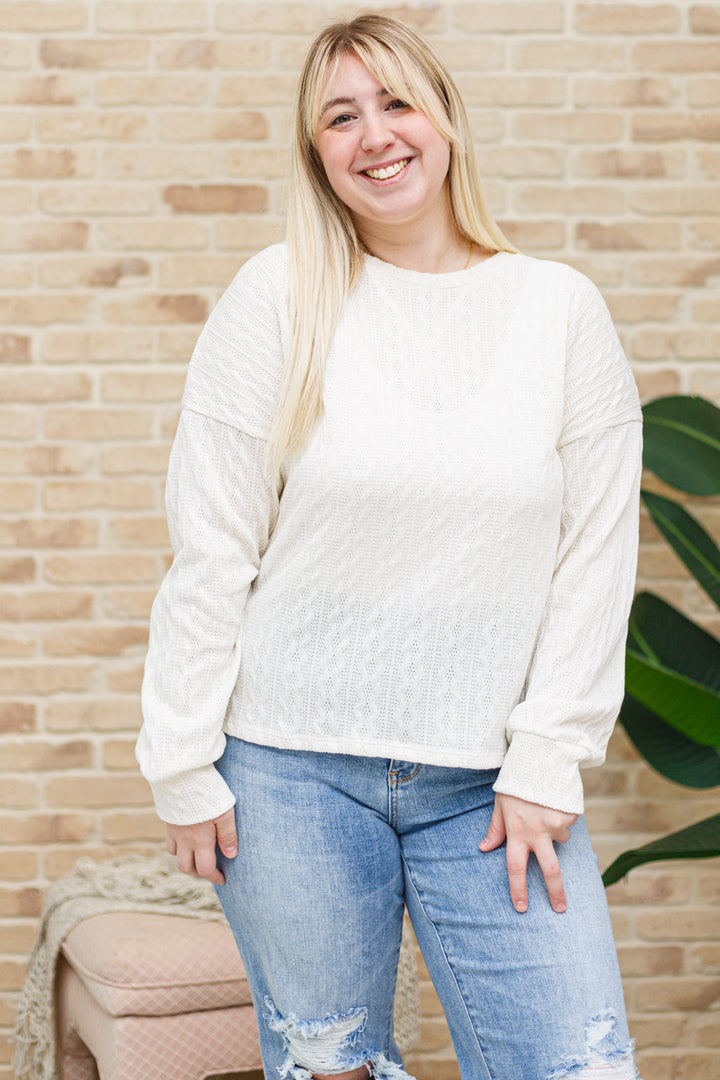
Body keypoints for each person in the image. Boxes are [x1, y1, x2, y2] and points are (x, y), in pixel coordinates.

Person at [136, 13, 643, 1080]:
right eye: (341, 117)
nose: (375, 136)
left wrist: (549, 757)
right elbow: (212, 547)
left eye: (398, 103)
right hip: (287, 776)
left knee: (579, 1064)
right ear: (316, 151)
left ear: (445, 119)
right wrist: (181, 761)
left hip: (492, 782)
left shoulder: (559, 310)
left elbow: (596, 555)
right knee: (333, 1068)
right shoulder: (275, 298)